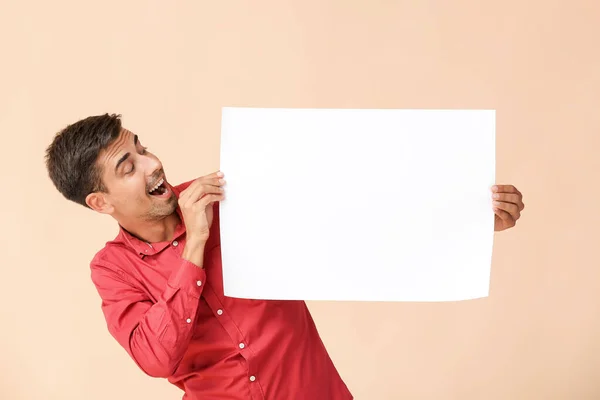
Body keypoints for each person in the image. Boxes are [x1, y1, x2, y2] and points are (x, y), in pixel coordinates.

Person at [44, 113, 525, 400]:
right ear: (101, 202)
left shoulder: (227, 196)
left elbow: (355, 216)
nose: (152, 164)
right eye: (129, 166)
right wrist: (195, 243)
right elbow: (154, 356)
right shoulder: (112, 270)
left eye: (143, 149)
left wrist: (468, 219)